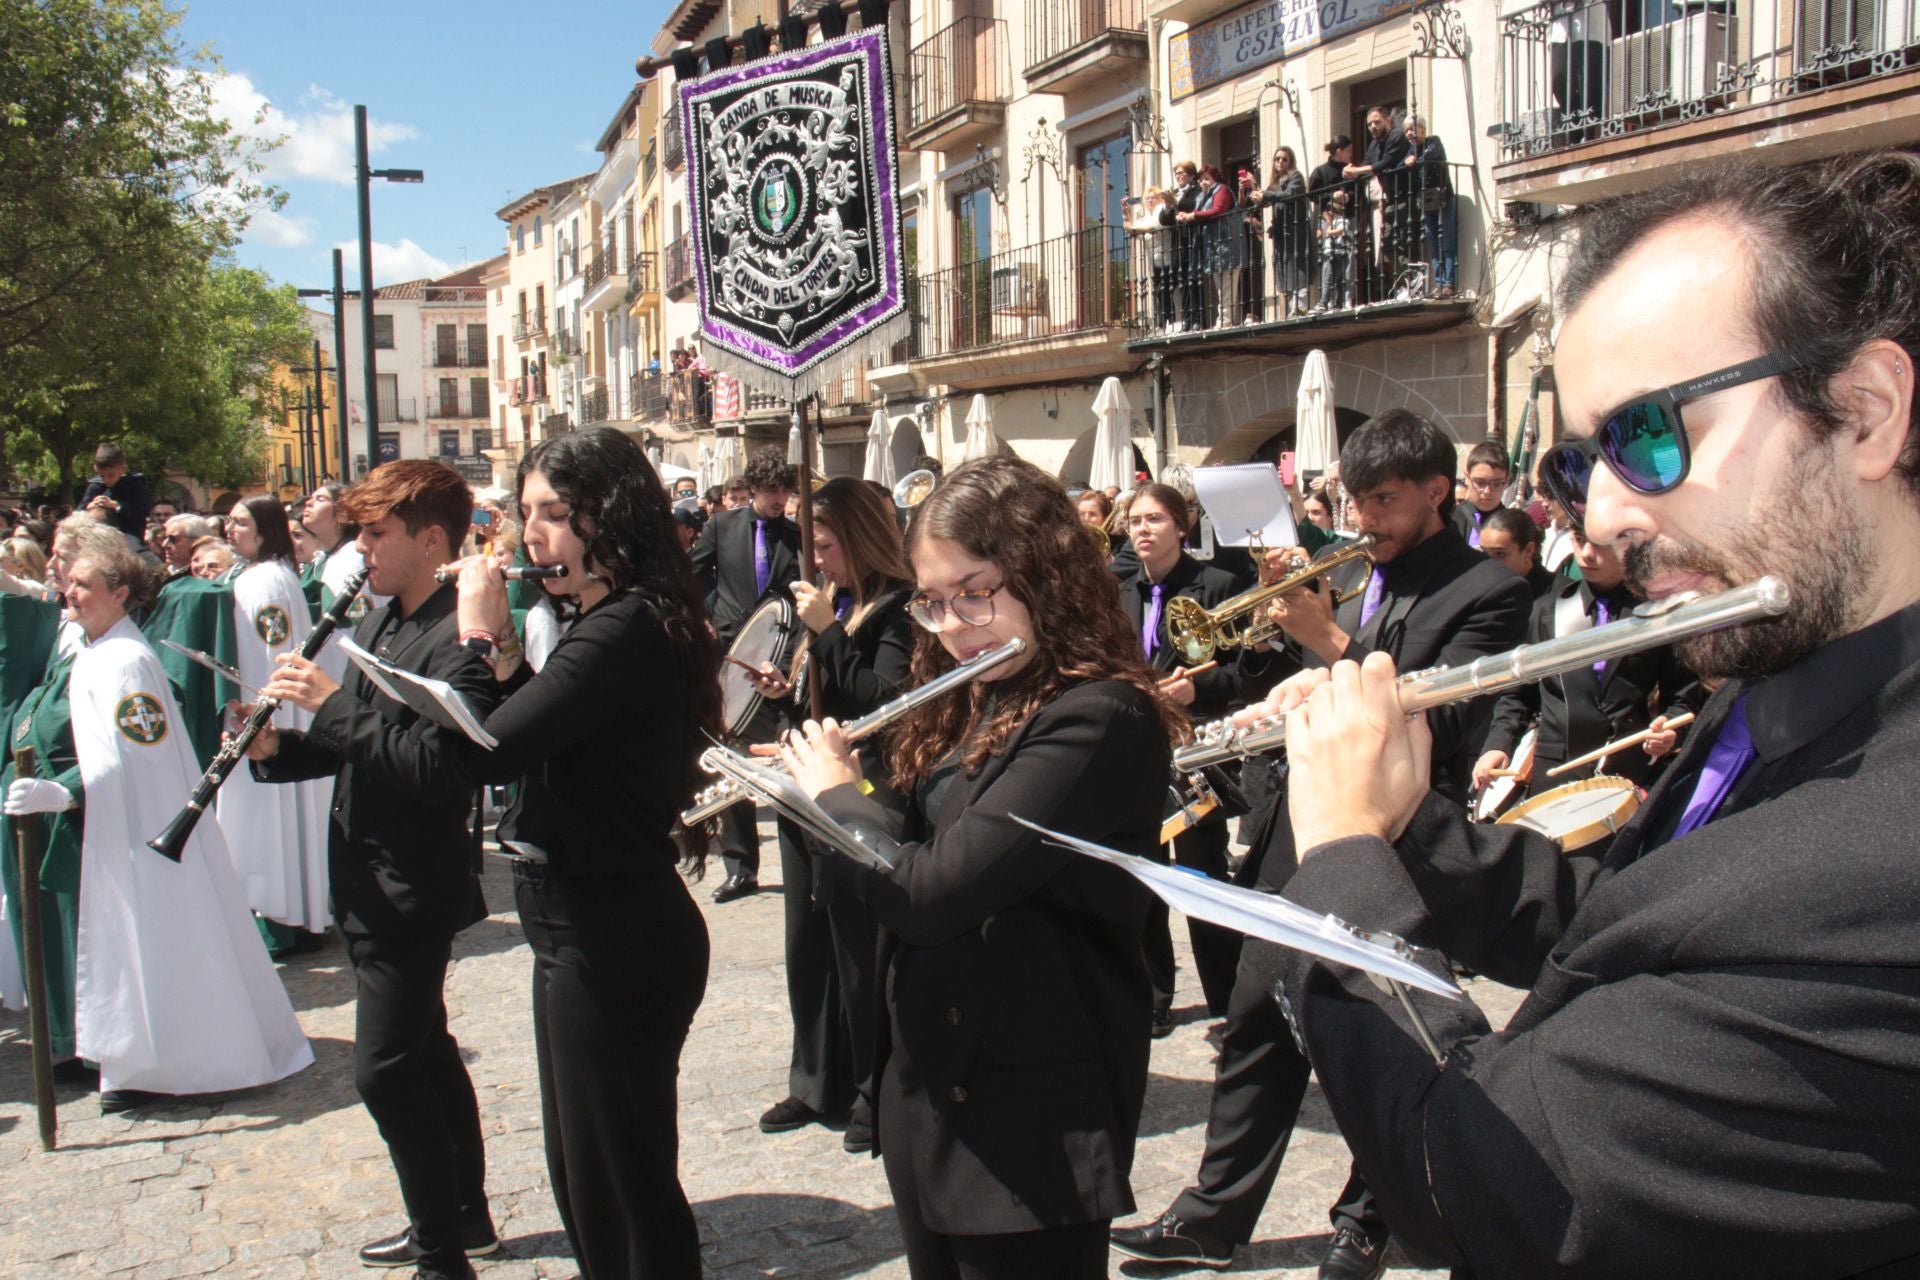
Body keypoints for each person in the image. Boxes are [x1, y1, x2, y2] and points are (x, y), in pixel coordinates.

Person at [1264, 150, 1920, 1277]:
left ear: (1863, 413)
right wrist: (1406, 812)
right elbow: (1628, 922)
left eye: (1651, 436)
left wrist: (1338, 860)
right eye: (1581, 460)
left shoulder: (1882, 858)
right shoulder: (1783, 677)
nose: (1605, 517)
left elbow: (1489, 1183)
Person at [1113, 410, 1531, 1279]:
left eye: (1383, 501)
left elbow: (1443, 722)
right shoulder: (1359, 573)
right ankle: (1212, 1217)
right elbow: (1301, 671)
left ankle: (1366, 1223)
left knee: (1389, 1027)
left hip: (1399, 838)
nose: (1365, 519)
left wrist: (1329, 642)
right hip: (1301, 819)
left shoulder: (1489, 592)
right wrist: (1289, 660)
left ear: (1436, 493)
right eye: (1355, 499)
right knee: (1258, 1014)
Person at [778, 456, 1178, 1280]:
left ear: (1046, 577)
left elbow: (929, 892)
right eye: (933, 601)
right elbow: (910, 827)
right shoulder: (982, 689)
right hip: (931, 1094)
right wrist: (847, 779)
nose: (955, 624)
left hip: (1028, 1117)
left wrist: (832, 800)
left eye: (976, 590)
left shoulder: (1098, 715)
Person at [449, 426, 719, 1279]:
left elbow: (483, 748)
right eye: (527, 513)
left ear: (612, 517)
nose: (532, 537)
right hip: (587, 924)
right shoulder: (610, 623)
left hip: (612, 930)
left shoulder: (623, 628)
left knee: (620, 1188)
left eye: (556, 515)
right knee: (589, 1176)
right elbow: (552, 727)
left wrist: (473, 640)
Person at [245, 462, 503, 1279]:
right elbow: (355, 751)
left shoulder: (455, 647)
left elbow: (437, 771)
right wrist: (274, 749)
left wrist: (331, 704)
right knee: (424, 1051)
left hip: (410, 886)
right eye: (357, 531)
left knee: (385, 1068)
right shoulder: (387, 625)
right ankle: (464, 1219)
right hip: (366, 874)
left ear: (432, 542)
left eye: (375, 532)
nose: (360, 547)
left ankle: (441, 1253)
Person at [5, 527, 312, 1113]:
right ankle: (132, 1060)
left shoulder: (126, 662)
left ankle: (173, 1063)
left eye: (84, 585)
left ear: (120, 593)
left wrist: (61, 791)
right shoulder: (94, 651)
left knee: (156, 942)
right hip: (111, 830)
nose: (69, 594)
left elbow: (136, 758)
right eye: (68, 583)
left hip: (138, 831)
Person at [746, 478, 914, 1153]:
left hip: (861, 791)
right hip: (804, 785)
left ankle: (874, 1086)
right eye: (809, 547)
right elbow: (827, 697)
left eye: (825, 546)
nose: (814, 562)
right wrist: (786, 691)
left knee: (856, 946)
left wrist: (826, 636)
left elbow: (886, 698)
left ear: (861, 538)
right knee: (807, 940)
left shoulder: (898, 610)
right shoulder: (841, 603)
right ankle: (816, 1077)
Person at [1118, 484, 1245, 1025]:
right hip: (1132, 746)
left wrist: (1202, 690)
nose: (1142, 529)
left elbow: (1247, 674)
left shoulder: (1217, 586)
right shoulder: (1115, 589)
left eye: (1154, 519)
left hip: (1194, 748)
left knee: (1200, 873)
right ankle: (1152, 999)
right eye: (1134, 521)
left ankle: (1230, 999)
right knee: (1142, 874)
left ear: (1181, 525)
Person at [1474, 522, 1696, 793]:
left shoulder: (1655, 614)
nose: (1587, 554)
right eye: (1580, 541)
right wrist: (1498, 744)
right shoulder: (1547, 611)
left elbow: (1682, 696)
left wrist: (1670, 731)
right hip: (1554, 769)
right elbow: (1519, 694)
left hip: (1626, 770)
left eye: (1600, 544)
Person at [216, 495, 331, 946]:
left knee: (272, 820)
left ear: (265, 528)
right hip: (270, 708)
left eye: (240, 522)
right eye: (228, 522)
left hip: (266, 713)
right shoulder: (267, 575)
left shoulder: (265, 582)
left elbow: (270, 651)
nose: (231, 529)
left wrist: (254, 708)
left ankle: (283, 915)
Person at [689, 444, 800, 902]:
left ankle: (801, 854)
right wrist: (700, 617)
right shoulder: (721, 525)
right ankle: (741, 867)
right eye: (772, 490)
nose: (780, 499)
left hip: (783, 649)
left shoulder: (797, 534)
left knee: (788, 746)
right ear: (752, 489)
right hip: (730, 649)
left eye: (785, 490)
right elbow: (692, 575)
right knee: (729, 754)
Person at [1343, 107, 1411, 298]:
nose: (1373, 126)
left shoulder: (1397, 136)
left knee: (1402, 241)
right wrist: (1349, 171)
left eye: (1377, 122)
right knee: (1387, 242)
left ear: (1388, 121)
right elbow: (1366, 163)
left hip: (1404, 196)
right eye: (1370, 124)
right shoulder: (1374, 145)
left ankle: (1411, 282)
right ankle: (1402, 285)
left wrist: (1356, 171)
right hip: (1388, 199)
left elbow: (1385, 163)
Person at [1402, 117, 1457, 298]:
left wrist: (1414, 160)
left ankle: (1449, 283)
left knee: (1447, 242)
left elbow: (1433, 154)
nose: (1410, 133)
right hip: (1427, 202)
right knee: (1434, 244)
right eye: (1407, 131)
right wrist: (1405, 162)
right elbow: (1399, 167)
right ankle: (1439, 284)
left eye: (1413, 129)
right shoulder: (1410, 151)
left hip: (1443, 198)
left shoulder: (1433, 141)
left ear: (1423, 129)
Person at [1258, 146, 1311, 316]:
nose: (1280, 162)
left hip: (1296, 228)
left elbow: (1289, 194)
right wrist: (1251, 188)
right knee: (1284, 268)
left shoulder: (1295, 177)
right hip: (1281, 231)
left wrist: (1265, 195)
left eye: (1284, 159)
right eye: (1277, 159)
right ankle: (1291, 306)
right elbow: (1262, 202)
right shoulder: (1274, 183)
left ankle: (1300, 304)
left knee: (1298, 264)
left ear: (1290, 161)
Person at [76, 442, 153, 545]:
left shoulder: (135, 484)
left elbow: (144, 510)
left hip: (129, 533)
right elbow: (78, 513)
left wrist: (116, 505)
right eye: (102, 476)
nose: (106, 480)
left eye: (111, 475)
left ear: (123, 469)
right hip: (99, 535)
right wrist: (90, 506)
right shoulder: (95, 486)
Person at [1477, 505, 1555, 599]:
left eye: (1500, 554)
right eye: (1484, 553)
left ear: (1529, 550)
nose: (1488, 563)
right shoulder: (1478, 589)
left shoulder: (1559, 598)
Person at [1128, 188, 1178, 334]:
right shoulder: (1144, 217)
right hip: (1154, 262)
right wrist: (1126, 214)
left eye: (1153, 197)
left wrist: (1137, 229)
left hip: (1167, 258)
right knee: (1158, 292)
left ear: (1159, 199)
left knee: (1166, 290)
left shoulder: (1161, 210)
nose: (1150, 201)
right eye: (1147, 198)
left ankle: (1170, 322)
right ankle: (1161, 323)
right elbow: (1131, 230)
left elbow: (1156, 227)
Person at [1451, 440, 1511, 547]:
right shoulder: (1448, 521)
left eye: (1496, 484)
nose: (1487, 491)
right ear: (1467, 477)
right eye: (1480, 482)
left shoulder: (1515, 525)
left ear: (1507, 481)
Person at [1169, 161, 1204, 332]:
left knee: (1193, 280)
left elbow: (1193, 206)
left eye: (1182, 172)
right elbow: (1164, 219)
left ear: (1191, 175)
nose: (1179, 176)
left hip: (1192, 240)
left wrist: (1176, 201)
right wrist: (1169, 205)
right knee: (1182, 281)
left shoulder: (1196, 190)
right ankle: (1187, 319)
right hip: (1179, 243)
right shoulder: (1177, 194)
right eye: (1177, 173)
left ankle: (1196, 318)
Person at [1317, 189, 1355, 312]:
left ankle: (1325, 303)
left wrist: (1330, 231)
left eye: (1328, 213)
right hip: (1329, 253)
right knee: (1330, 279)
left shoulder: (1342, 221)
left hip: (1337, 254)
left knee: (1331, 279)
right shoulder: (1331, 223)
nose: (1327, 216)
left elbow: (1341, 230)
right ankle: (1335, 302)